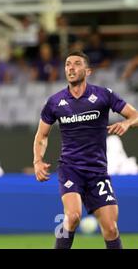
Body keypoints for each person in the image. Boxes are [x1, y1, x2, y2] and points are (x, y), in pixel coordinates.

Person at [33, 50, 138, 249]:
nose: (71, 68)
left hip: (98, 172)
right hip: (70, 168)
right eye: (67, 64)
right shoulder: (55, 102)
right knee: (72, 217)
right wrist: (38, 160)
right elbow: (42, 135)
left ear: (87, 71)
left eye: (76, 64)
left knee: (111, 229)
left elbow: (135, 115)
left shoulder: (103, 95)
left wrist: (126, 124)